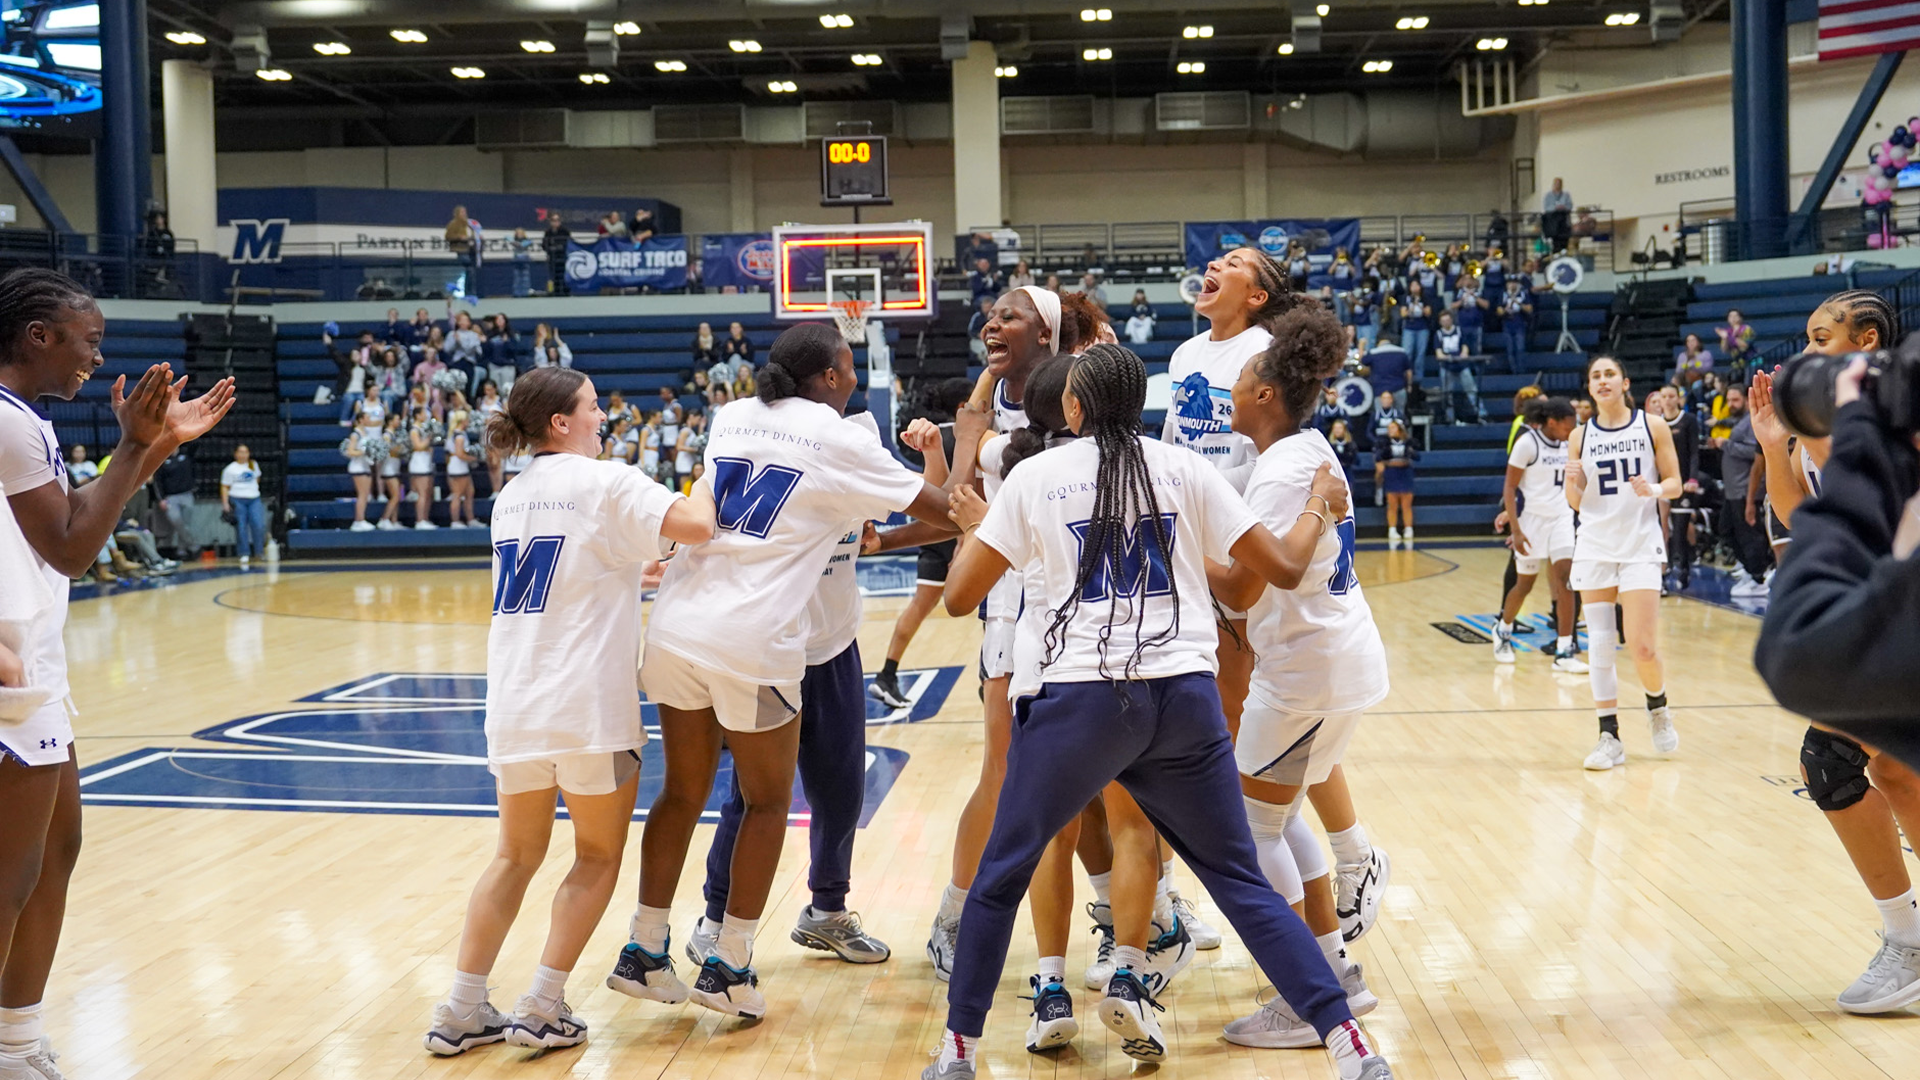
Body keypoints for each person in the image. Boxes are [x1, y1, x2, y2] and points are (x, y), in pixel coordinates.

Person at [928, 342, 1396, 1080]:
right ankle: (1349, 1044)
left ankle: (958, 1052)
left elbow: (958, 598)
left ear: (1073, 407)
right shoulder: (1186, 468)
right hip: (1182, 697)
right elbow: (1269, 573)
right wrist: (1316, 506)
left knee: (1001, 874)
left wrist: (975, 528)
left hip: (1078, 699)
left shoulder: (1035, 477)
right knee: (1238, 879)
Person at [608, 324, 954, 1021]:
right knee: (767, 803)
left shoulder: (733, 416)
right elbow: (942, 512)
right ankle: (730, 964)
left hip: (676, 626)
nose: (855, 377)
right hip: (754, 637)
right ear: (827, 377)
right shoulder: (842, 439)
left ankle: (645, 949)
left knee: (681, 792)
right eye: (850, 366)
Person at [423, 366, 715, 1056]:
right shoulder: (606, 479)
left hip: (518, 701)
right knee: (595, 856)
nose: (603, 418)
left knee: (513, 857)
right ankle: (542, 1005)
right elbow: (698, 526)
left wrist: (628, 571)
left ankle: (461, 1007)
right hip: (586, 704)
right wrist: (716, 462)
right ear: (560, 422)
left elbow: (572, 568)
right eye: (592, 407)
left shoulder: (511, 496)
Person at [0, 268, 233, 1080]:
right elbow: (71, 546)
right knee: (11, 871)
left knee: (56, 850)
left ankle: (18, 1038)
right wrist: (136, 442)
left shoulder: (23, 422)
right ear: (39, 335)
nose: (97, 360)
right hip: (8, 670)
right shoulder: (7, 424)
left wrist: (156, 444)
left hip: (37, 660)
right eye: (88, 341)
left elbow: (74, 527)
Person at [1208, 305, 1393, 1047]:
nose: (1231, 387)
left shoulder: (1283, 472)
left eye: (1243, 377)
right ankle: (1336, 976)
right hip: (1330, 658)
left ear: (1264, 395)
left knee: (1251, 835)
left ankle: (1307, 1002)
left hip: (1307, 672)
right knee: (1277, 822)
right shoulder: (1304, 450)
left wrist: (1181, 545)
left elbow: (1244, 588)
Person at [1745, 290, 1920, 1014]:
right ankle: (1908, 939)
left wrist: (1822, 438)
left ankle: (1908, 943)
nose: (1808, 350)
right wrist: (1772, 445)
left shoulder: (1898, 406)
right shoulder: (1836, 419)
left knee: (1847, 758)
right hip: (1895, 606)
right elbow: (1800, 514)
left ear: (1867, 337)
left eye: (1823, 337)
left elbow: (1884, 507)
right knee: (1877, 765)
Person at [1565, 355, 1681, 771]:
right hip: (1595, 543)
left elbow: (1676, 484)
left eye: (1609, 373)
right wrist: (1571, 480)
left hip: (1639, 543)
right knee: (1598, 643)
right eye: (1595, 376)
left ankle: (1657, 707)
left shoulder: (1651, 426)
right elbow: (1575, 503)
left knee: (1642, 645)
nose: (1602, 381)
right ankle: (1609, 735)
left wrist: (1651, 488)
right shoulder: (1579, 436)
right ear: (1590, 388)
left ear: (1624, 382)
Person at [870, 378, 973, 711]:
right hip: (955, 532)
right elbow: (959, 497)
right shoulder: (962, 437)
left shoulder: (934, 432)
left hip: (935, 531)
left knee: (918, 608)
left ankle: (887, 673)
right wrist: (963, 542)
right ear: (963, 407)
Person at [1494, 397, 1586, 671]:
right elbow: (1509, 488)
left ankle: (1564, 650)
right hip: (1531, 520)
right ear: (1552, 422)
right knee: (1524, 584)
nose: (1572, 430)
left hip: (1561, 517)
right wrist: (1516, 528)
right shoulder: (1527, 444)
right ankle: (1503, 630)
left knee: (1566, 579)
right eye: (1568, 425)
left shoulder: (1569, 444)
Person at [220, 444, 266, 569]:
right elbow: (224, 486)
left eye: (246, 452)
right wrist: (225, 503)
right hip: (237, 499)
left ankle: (259, 552)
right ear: (236, 454)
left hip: (254, 499)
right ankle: (244, 553)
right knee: (241, 527)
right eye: (240, 452)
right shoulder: (230, 469)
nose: (243, 454)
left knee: (258, 524)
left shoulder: (253, 465)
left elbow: (257, 478)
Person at [1434, 312, 1482, 426]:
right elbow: (1438, 353)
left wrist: (1463, 355)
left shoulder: (1459, 331)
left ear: (1451, 320)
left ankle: (1480, 413)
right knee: (1447, 393)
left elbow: (1465, 347)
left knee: (1472, 390)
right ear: (1440, 322)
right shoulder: (1438, 334)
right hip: (1447, 367)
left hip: (1461, 366)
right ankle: (1449, 417)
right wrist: (1448, 357)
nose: (1446, 322)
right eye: (1443, 320)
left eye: (1448, 320)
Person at [1375, 419, 1417, 548]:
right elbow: (1379, 458)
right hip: (1391, 473)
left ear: (1400, 429)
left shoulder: (1409, 442)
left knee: (1406, 504)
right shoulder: (1384, 443)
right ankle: (1392, 530)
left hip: (1405, 473)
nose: (1391, 431)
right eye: (1389, 428)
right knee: (1392, 503)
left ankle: (1408, 529)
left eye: (1393, 428)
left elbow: (1416, 456)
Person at [445, 409, 479, 528]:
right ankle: (455, 521)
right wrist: (473, 459)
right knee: (458, 494)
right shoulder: (459, 435)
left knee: (469, 492)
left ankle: (470, 519)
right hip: (458, 466)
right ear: (462, 420)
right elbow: (460, 453)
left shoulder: (455, 433)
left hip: (459, 466)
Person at [1398, 280, 1434, 382]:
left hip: (1422, 328)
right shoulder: (1406, 298)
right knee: (1407, 352)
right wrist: (1411, 306)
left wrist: (1418, 304)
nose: (1414, 287)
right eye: (1412, 285)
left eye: (1416, 285)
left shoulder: (1425, 298)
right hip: (1409, 328)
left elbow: (1428, 313)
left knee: (1420, 354)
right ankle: (1406, 376)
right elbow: (1403, 314)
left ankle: (1419, 379)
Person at [446, 205, 480, 298]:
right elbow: (448, 236)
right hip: (460, 249)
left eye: (465, 212)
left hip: (471, 250)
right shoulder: (453, 224)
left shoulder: (469, 224)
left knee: (472, 271)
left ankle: (471, 292)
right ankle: (469, 292)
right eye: (462, 212)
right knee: (469, 269)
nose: (464, 214)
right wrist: (460, 237)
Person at [1496, 278, 1533, 363]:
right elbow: (1499, 311)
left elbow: (1529, 309)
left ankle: (1521, 370)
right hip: (1507, 322)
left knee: (1520, 348)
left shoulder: (1523, 294)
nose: (1512, 285)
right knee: (1510, 349)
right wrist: (1507, 308)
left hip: (1519, 322)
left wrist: (1517, 302)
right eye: (1510, 283)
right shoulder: (1503, 295)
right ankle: (1513, 371)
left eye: (1514, 283)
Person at [1717, 309, 1755, 373]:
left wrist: (1729, 337)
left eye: (1735, 316)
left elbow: (1745, 346)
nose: (1733, 318)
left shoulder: (1747, 329)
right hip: (1736, 363)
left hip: (1750, 361)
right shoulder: (1727, 331)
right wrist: (1724, 338)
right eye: (1730, 316)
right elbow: (1724, 349)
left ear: (1741, 318)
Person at [542, 216, 573, 296]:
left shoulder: (564, 231)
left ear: (559, 222)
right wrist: (550, 249)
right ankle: (556, 292)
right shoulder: (548, 232)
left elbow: (568, 243)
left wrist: (558, 247)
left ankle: (566, 292)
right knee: (554, 275)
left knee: (564, 275)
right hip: (552, 257)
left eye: (557, 220)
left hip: (563, 257)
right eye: (553, 221)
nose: (555, 222)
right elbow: (544, 245)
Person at [1542, 178, 1573, 254]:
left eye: (1559, 184)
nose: (1557, 185)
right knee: (1555, 243)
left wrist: (1563, 207)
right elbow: (1546, 207)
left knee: (1564, 241)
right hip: (1553, 222)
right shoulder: (1548, 196)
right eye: (1556, 184)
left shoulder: (1566, 195)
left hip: (1563, 221)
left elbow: (1570, 206)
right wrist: (1555, 208)